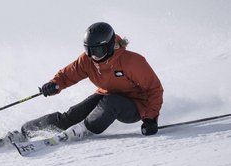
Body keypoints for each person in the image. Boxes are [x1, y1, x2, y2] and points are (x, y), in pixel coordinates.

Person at [19, 22, 163, 143]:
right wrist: (54, 84)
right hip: (106, 96)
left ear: (109, 46)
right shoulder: (88, 60)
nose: (93, 55)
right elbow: (68, 75)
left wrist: (150, 119)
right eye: (89, 50)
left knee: (111, 102)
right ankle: (26, 131)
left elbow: (154, 89)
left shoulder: (132, 61)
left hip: (135, 106)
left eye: (98, 51)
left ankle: (82, 130)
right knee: (71, 116)